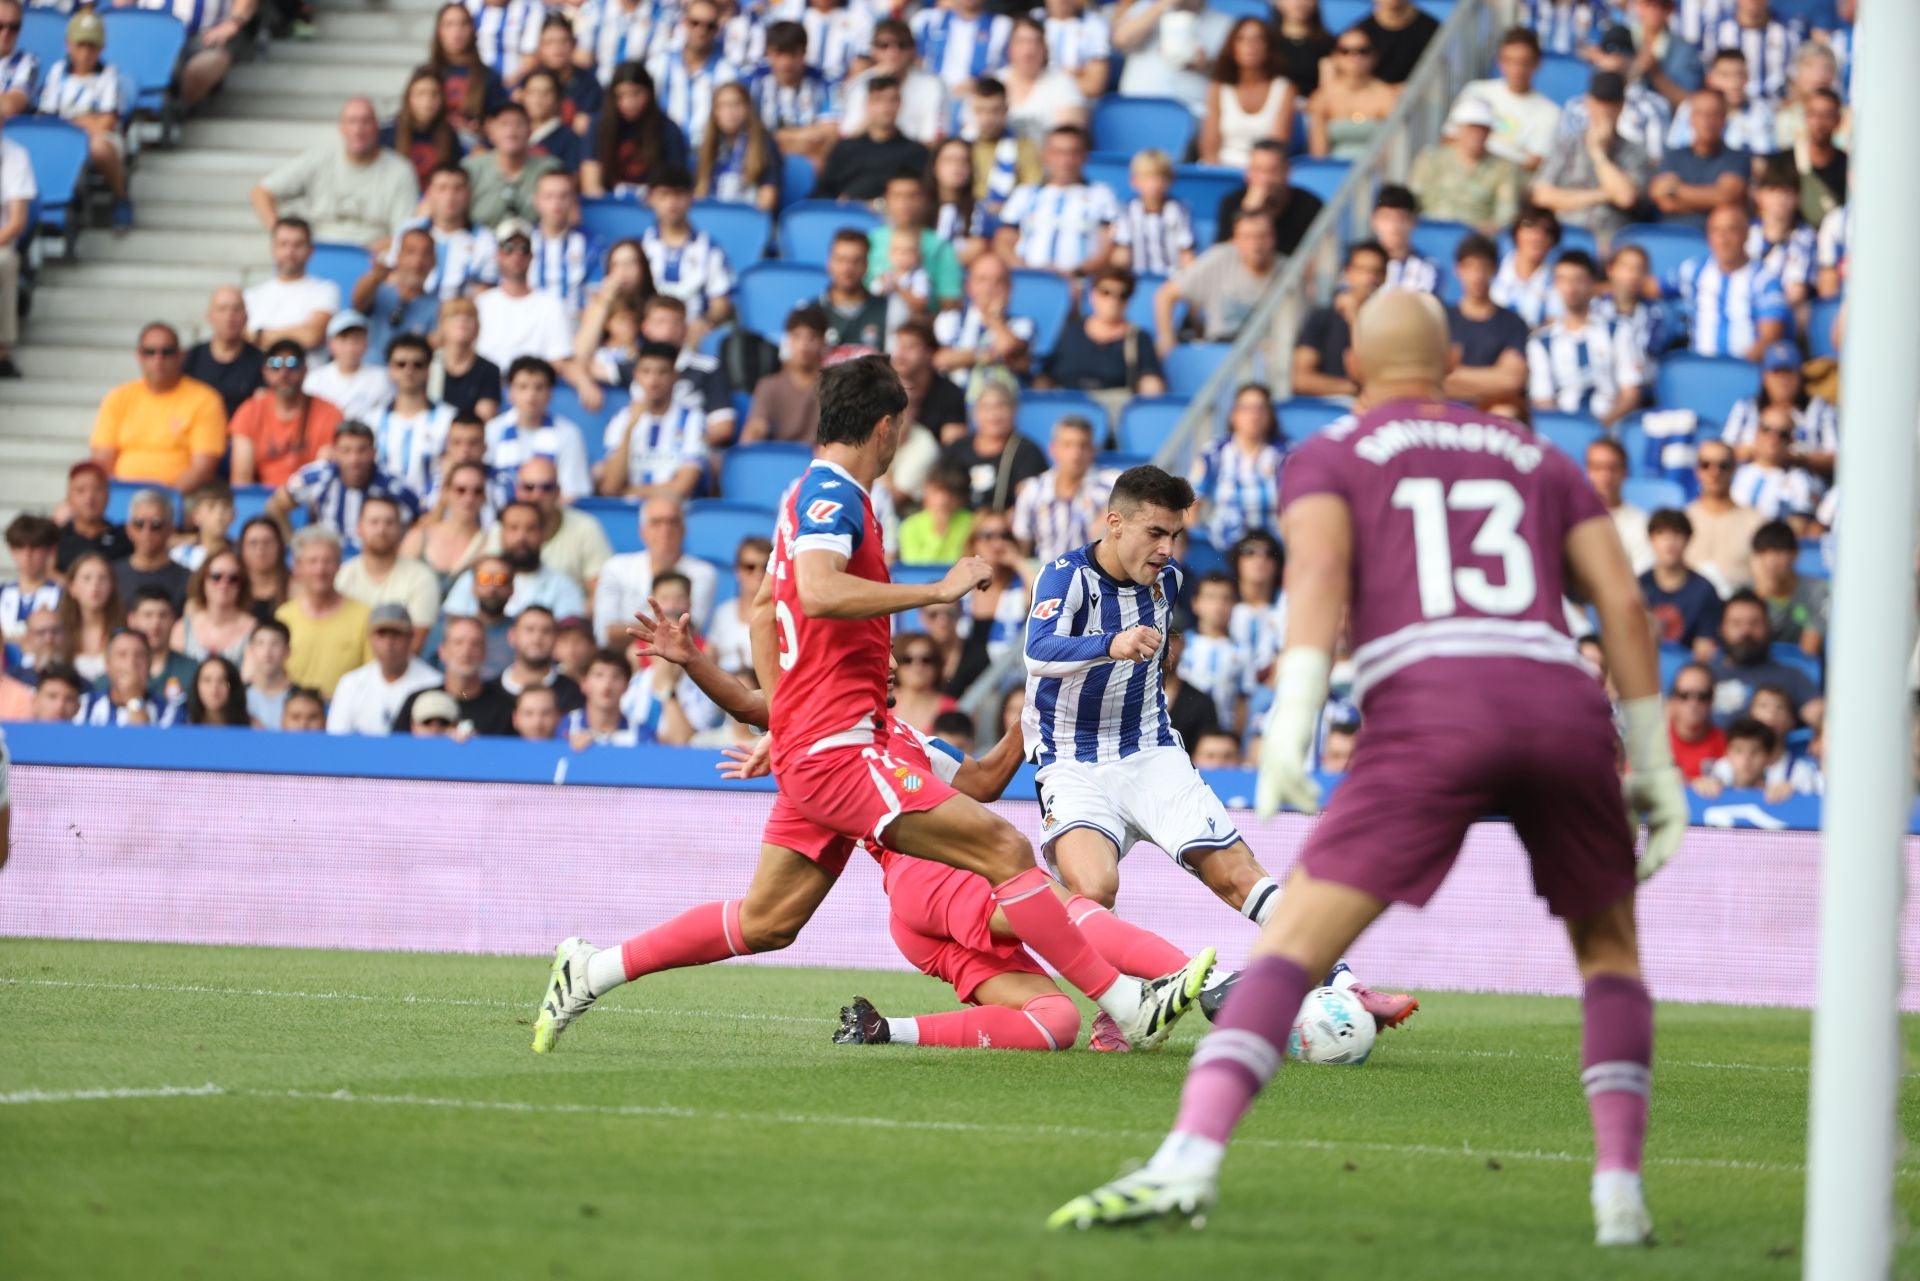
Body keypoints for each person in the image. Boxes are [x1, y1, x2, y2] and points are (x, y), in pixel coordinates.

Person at [1050, 289, 1687, 1246]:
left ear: (1352, 361)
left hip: (1434, 707)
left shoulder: (1333, 455)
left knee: (1295, 937)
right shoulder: (1540, 456)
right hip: (1561, 705)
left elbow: (1316, 591)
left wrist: (1292, 726)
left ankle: (1185, 1162)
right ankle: (1620, 1195)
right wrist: (1657, 760)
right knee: (1609, 958)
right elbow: (1623, 608)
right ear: (1450, 363)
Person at [530, 354, 1216, 1059]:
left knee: (768, 921)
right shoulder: (836, 496)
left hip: (821, 744)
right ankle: (1126, 1002)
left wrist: (788, 716)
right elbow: (820, 591)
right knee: (1006, 848)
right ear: (886, 429)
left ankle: (593, 968)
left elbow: (769, 611)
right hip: (840, 748)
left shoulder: (802, 498)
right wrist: (936, 591)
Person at [1022, 461, 1416, 1008]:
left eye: (1175, 535)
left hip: (1150, 750)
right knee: (1092, 889)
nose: (1166, 549)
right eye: (1155, 533)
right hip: (1071, 759)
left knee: (1236, 874)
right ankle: (1123, 1009)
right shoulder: (1064, 576)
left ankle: (1346, 985)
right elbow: (1037, 650)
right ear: (1114, 523)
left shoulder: (1170, 581)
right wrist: (1108, 644)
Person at [251, 97, 422, 246]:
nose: (358, 130)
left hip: (373, 258)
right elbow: (261, 192)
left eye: (365, 122)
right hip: (319, 253)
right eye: (352, 121)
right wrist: (281, 236)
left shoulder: (401, 171)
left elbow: (404, 234)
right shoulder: (319, 158)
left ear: (377, 127)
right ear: (341, 127)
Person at [90, 324, 228, 492]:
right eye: (150, 352)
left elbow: (203, 468)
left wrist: (165, 500)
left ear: (180, 356)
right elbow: (102, 461)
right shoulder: (118, 398)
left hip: (182, 497)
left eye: (167, 352)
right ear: (139, 356)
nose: (158, 359)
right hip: (121, 494)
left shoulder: (206, 399)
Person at [1530, 71, 1654, 242]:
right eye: (1598, 103)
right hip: (1563, 233)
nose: (1603, 111)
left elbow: (1626, 197)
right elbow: (1541, 196)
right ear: (1588, 103)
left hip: (1610, 237)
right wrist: (1604, 194)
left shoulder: (1634, 150)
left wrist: (1598, 154)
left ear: (1620, 107)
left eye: (1610, 104)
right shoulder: (1566, 145)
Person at [1530, 253, 1645, 427]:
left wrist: (1601, 426)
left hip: (1610, 429)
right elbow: (1543, 399)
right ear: (1555, 284)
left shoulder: (1619, 330)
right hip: (1561, 431)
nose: (1570, 287)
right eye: (1563, 280)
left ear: (1592, 283)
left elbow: (1631, 393)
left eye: (1578, 280)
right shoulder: (1541, 341)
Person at [39, 13, 131, 229]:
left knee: (99, 147)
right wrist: (86, 120)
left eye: (92, 46)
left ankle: (121, 197)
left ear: (101, 48)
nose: (86, 52)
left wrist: (70, 121)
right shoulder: (56, 72)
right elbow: (46, 118)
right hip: (60, 136)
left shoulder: (110, 74)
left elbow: (106, 123)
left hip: (101, 138)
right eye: (81, 45)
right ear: (68, 45)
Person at [270, 421, 423, 547]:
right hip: (326, 563)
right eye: (346, 451)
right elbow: (275, 506)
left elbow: (422, 519)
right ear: (335, 452)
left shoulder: (393, 487)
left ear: (373, 453)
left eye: (361, 450)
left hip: (375, 561)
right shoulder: (318, 477)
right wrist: (295, 546)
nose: (354, 460)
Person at [591, 496, 717, 644]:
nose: (665, 530)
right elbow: (605, 634)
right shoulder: (616, 567)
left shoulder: (703, 573)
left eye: (672, 522)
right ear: (642, 531)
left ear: (683, 530)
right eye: (656, 523)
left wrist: (629, 629)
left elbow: (689, 630)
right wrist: (663, 629)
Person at [1153, 210, 1279, 357]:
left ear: (1273, 239)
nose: (1255, 245)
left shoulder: (1290, 271)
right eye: (1247, 237)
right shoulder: (1220, 258)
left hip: (1267, 354)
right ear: (1235, 239)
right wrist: (1166, 337)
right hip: (1219, 350)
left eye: (1261, 237)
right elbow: (1165, 295)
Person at [1679, 202, 1790, 359]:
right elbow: (1651, 287)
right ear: (1708, 237)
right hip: (1699, 370)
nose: (1723, 239)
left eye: (1731, 230)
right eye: (1716, 231)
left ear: (1746, 235)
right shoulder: (1692, 270)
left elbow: (1770, 337)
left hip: (1744, 371)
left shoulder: (1764, 280)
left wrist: (1735, 372)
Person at [597, 342, 706, 499]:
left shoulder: (692, 419)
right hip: (628, 514)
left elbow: (682, 489)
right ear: (636, 375)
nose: (653, 381)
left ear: (675, 376)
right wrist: (628, 431)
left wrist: (628, 492)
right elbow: (610, 488)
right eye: (646, 372)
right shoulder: (622, 420)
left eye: (662, 372)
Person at [227, 341, 343, 488]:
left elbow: (323, 475)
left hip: (310, 498)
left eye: (292, 364)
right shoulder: (249, 412)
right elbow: (241, 480)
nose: (284, 373)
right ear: (265, 371)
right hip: (262, 500)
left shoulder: (329, 413)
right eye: (275, 365)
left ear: (305, 370)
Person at [275, 527, 372, 701]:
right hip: (292, 717)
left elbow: (371, 676)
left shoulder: (364, 615)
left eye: (328, 561)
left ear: (339, 565)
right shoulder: (283, 617)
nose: (320, 570)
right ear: (297, 567)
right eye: (312, 561)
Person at [1045, 266, 1165, 405]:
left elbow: (1150, 384)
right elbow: (1046, 376)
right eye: (1106, 292)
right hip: (1067, 408)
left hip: (1113, 413)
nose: (1114, 301)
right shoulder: (1070, 331)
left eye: (1123, 295)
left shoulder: (1139, 338)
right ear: (1092, 294)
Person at [1189, 384, 1286, 552]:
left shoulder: (1285, 454)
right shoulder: (1215, 452)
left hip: (1272, 553)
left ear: (1270, 416)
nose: (1254, 415)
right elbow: (1191, 505)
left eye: (1261, 408)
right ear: (1233, 415)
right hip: (1223, 549)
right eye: (1246, 408)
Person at [484, 355, 593, 502]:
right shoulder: (492, 430)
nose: (531, 395)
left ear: (550, 393)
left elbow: (572, 492)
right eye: (523, 387)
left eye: (539, 387)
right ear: (510, 392)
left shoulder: (568, 434)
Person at [1707, 588, 1821, 727]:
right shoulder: (1704, 676)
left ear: (1768, 628)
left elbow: (1818, 715)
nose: (1746, 631)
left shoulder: (1791, 677)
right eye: (1736, 624)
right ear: (1722, 630)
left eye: (1754, 623)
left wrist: (1821, 730)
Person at [1455, 27, 1563, 172]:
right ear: (1500, 61)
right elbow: (1450, 139)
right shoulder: (1476, 91)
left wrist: (1480, 156)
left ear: (1537, 63)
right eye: (1509, 61)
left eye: (1524, 62)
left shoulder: (1550, 112)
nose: (1516, 69)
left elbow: (1533, 163)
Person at [1409, 97, 1523, 234]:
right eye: (1471, 128)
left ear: (1490, 132)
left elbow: (1506, 213)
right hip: (1431, 231)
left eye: (1482, 129)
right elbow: (1413, 201)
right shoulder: (1430, 159)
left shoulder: (1503, 167)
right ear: (1458, 128)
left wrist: (1485, 229)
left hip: (1475, 239)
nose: (1476, 135)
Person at [334, 494, 444, 637]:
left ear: (401, 528)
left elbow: (417, 639)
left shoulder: (422, 577)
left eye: (389, 522)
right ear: (359, 528)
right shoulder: (341, 575)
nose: (381, 530)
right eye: (374, 522)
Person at [1290, 241, 1387, 398]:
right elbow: (1300, 379)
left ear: (1385, 277)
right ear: (1348, 272)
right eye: (1361, 269)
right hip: (1330, 408)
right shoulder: (1322, 318)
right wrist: (1353, 389)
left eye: (1376, 271)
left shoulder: (1391, 323)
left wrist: (1355, 320)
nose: (1369, 278)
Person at [325, 605, 441, 736]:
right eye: (382, 634)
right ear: (370, 638)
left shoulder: (433, 683)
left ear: (411, 637)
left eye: (396, 634)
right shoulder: (351, 683)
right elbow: (338, 740)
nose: (389, 642)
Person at [1722, 340, 1836, 474]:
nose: (1783, 380)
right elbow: (1722, 452)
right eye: (1777, 373)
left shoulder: (1820, 409)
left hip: (1803, 484)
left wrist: (1793, 457)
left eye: (1788, 373)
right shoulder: (1746, 407)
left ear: (1800, 375)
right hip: (1749, 482)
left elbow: (1836, 458)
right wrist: (1761, 451)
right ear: (1765, 376)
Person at [1444, 234, 1531, 408]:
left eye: (1484, 267)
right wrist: (1491, 378)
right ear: (1457, 270)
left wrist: (1454, 373)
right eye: (1470, 267)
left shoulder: (1513, 323)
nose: (1477, 275)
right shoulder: (1441, 320)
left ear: (1495, 270)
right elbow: (1430, 379)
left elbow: (1511, 381)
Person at [392, 615, 517, 736]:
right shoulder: (417, 701)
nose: (466, 651)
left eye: (475, 644)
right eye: (458, 642)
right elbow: (395, 750)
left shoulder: (504, 707)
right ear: (442, 651)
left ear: (485, 652)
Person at [580, 61, 690, 198]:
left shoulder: (668, 130)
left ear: (649, 93)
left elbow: (675, 187)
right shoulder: (598, 126)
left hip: (654, 209)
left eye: (636, 94)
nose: (629, 102)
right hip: (608, 207)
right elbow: (591, 184)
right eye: (621, 96)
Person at [1201, 17, 1294, 170]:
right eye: (1242, 39)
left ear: (1268, 47)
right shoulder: (1218, 88)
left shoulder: (1284, 89)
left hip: (1265, 175)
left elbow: (1277, 146)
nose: (1250, 46)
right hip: (1222, 171)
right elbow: (1209, 149)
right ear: (1232, 47)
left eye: (1258, 39)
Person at [932, 253, 1034, 392]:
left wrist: (995, 320)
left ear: (1009, 289)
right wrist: (986, 355)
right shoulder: (950, 319)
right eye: (982, 280)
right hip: (955, 403)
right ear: (969, 286)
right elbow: (941, 360)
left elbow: (1008, 347)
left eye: (999, 281)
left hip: (1003, 405)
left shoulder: (1022, 324)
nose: (990, 287)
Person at [1650, 88, 1750, 227]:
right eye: (1700, 114)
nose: (1706, 121)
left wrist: (1675, 190)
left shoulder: (1737, 158)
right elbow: (1663, 201)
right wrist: (1709, 200)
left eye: (1713, 114)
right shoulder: (1673, 156)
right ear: (1691, 118)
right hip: (1672, 234)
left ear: (1723, 119)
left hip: (1713, 241)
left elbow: (1725, 197)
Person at [818, 76, 928, 202]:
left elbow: (921, 198)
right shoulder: (844, 149)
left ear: (900, 105)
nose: (885, 107)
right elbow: (823, 192)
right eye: (878, 100)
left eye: (892, 100)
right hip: (845, 216)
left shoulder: (916, 152)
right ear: (868, 105)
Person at [746, 20, 840, 167]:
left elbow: (831, 133)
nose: (786, 62)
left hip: (811, 165)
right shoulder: (753, 82)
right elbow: (748, 133)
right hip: (764, 163)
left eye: (793, 54)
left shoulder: (823, 83)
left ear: (804, 53)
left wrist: (776, 137)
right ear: (768, 53)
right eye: (779, 53)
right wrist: (802, 138)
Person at [941, 384, 1047, 512]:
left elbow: (1028, 502)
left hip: (1000, 528)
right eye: (986, 407)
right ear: (975, 412)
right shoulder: (957, 448)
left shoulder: (1027, 452)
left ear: (1015, 411)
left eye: (1001, 406)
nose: (993, 414)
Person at [244, 218, 340, 354]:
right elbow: (240, 338)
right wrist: (296, 333)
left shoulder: (325, 289)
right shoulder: (251, 295)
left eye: (298, 245)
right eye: (283, 244)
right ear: (273, 248)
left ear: (310, 250)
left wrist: (258, 335)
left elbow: (311, 336)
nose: (290, 251)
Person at [1684, 438, 1766, 590]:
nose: (1714, 472)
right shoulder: (1682, 520)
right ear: (1697, 470)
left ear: (1734, 469)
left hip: (1739, 607)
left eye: (1723, 466)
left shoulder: (1757, 522)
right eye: (1706, 465)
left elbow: (1764, 583)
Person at [1640, 508, 1722, 658]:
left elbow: (1705, 647)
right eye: (1661, 534)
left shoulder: (1705, 590)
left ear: (1688, 539)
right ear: (1650, 539)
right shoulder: (1637, 586)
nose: (1669, 542)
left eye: (1677, 534)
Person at [1215, 140, 1322, 256]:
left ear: (1287, 171)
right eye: (1258, 170)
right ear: (1248, 173)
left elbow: (1321, 256)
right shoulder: (1232, 203)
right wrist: (1248, 213)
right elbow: (1221, 257)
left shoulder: (1310, 206)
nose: (1266, 180)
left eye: (1273, 171)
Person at [1307, 27, 1399, 159]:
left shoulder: (1387, 95)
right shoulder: (1322, 97)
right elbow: (1318, 153)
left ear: (1374, 56)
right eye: (1345, 51)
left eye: (1363, 51)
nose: (1355, 57)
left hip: (1377, 170)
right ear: (1335, 56)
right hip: (1334, 170)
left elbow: (1392, 148)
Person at [464, 103, 560, 227]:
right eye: (504, 124)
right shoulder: (471, 168)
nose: (511, 130)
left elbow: (570, 217)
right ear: (490, 131)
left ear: (530, 130)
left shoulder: (549, 169)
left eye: (519, 124)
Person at [1729, 402, 1822, 527]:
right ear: (1756, 431)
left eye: (1782, 434)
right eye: (1766, 429)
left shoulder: (1800, 481)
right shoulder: (1732, 473)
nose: (1773, 438)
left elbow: (1799, 525)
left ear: (1791, 440)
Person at [696, 81, 780, 211]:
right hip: (713, 215)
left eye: (737, 104)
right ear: (715, 113)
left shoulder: (764, 143)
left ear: (748, 109)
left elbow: (768, 197)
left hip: (748, 216)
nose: (730, 112)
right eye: (723, 106)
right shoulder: (709, 146)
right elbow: (700, 194)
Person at [183, 288, 267, 419]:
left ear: (246, 317)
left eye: (236, 309)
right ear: (209, 316)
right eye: (222, 309)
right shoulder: (191, 358)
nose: (230, 316)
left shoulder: (261, 362)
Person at [1111, 149, 1194, 280]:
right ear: (1134, 181)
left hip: (1172, 279)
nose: (1154, 184)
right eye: (1147, 177)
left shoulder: (1179, 210)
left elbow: (1186, 252)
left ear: (1170, 181)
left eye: (1159, 178)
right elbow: (1122, 252)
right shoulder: (1126, 211)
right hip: (1136, 279)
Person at [1747, 519, 1825, 655]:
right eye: (1763, 553)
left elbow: (1808, 653)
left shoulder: (1817, 591)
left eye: (1778, 552)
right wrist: (1760, 596)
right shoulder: (1746, 593)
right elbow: (1745, 647)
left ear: (1795, 554)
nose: (1771, 561)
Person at [77, 629, 183, 727]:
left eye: (139, 655)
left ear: (149, 664)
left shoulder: (169, 712)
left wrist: (134, 699)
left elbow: (144, 744)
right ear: (107, 664)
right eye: (122, 655)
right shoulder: (84, 706)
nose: (131, 663)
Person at [303, 311, 393, 424]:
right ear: (330, 344)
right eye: (343, 339)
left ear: (366, 343)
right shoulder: (314, 379)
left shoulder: (382, 379)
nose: (350, 347)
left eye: (356, 339)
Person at [383, 66, 465, 188]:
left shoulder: (449, 135)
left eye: (434, 94)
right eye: (421, 93)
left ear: (442, 99)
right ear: (409, 98)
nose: (427, 100)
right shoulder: (388, 133)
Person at [172, 548, 256, 665]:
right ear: (203, 581)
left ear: (242, 585)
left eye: (233, 578)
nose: (224, 583)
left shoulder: (254, 631)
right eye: (216, 577)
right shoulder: (182, 630)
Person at [112, 491, 191, 613]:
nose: (147, 531)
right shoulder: (111, 576)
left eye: (156, 524)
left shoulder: (189, 580)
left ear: (170, 530)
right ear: (129, 529)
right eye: (139, 523)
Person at [819, 229, 892, 354]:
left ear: (867, 264)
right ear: (829, 263)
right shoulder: (809, 311)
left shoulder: (889, 310)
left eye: (856, 261)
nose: (848, 268)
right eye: (841, 260)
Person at [430, 297, 502, 422]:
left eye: (469, 317)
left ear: (477, 327)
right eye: (454, 316)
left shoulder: (488, 370)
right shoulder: (427, 364)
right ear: (442, 325)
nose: (462, 321)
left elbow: (485, 415)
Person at [59, 551, 123, 683]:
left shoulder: (124, 630)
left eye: (102, 578)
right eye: (87, 578)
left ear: (112, 586)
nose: (95, 585)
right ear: (72, 588)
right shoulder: (58, 631)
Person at [55, 461, 129, 572]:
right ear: (69, 497)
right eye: (81, 490)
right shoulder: (55, 541)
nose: (89, 498)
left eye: (97, 489)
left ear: (108, 495)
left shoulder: (126, 539)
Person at [1, 515, 59, 640]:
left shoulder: (63, 595)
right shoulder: (2, 592)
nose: (27, 555)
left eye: (34, 548)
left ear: (51, 550)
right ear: (12, 551)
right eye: (20, 547)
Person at [242, 620, 294, 728]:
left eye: (275, 644)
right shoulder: (238, 695)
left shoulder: (299, 697)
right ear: (251, 650)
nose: (267, 652)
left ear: (287, 651)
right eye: (260, 643)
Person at [183, 655, 249, 728]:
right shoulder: (183, 726)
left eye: (222, 680)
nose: (214, 687)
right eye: (207, 680)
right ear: (196, 686)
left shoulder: (252, 727)